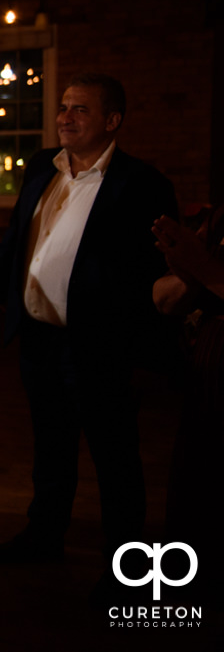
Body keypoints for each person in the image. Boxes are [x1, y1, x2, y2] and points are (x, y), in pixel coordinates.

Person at [0, 73, 178, 601]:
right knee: (51, 444)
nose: (64, 116)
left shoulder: (142, 184)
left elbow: (155, 269)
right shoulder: (44, 166)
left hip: (99, 341)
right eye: (63, 107)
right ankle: (45, 534)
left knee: (114, 453)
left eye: (80, 110)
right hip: (39, 335)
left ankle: (128, 561)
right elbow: (19, 236)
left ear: (112, 121)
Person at [152, 205, 224, 606]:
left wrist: (205, 269)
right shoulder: (217, 220)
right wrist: (185, 272)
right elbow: (164, 300)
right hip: (209, 375)